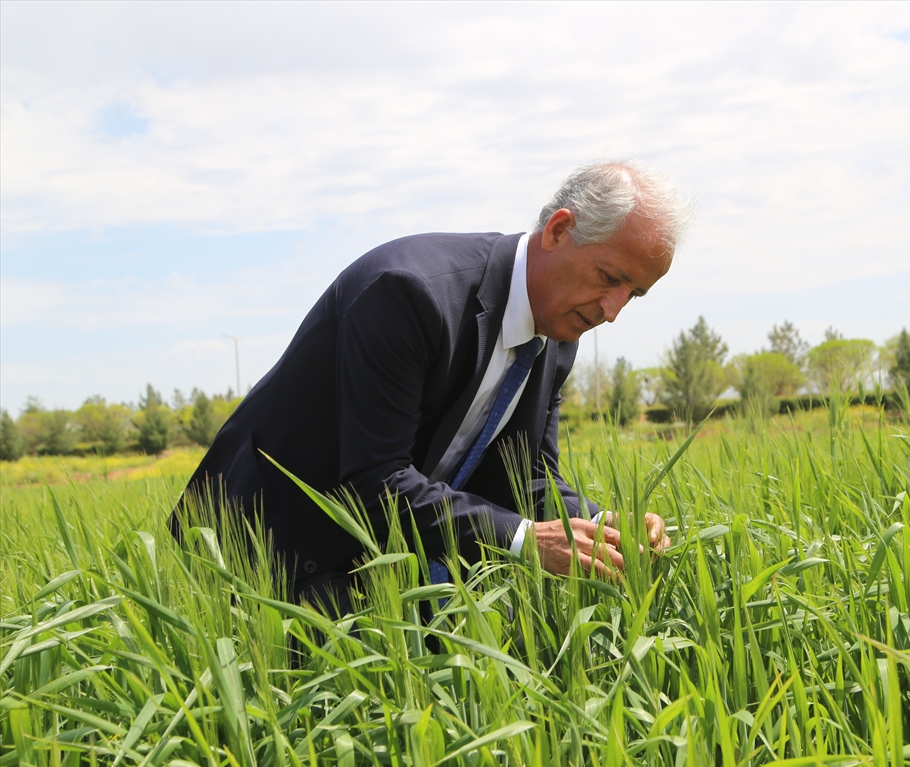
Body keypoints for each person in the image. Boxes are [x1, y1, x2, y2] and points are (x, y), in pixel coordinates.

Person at [174, 161, 693, 609]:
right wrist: (523, 540)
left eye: (635, 294)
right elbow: (372, 481)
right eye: (609, 277)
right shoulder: (410, 294)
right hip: (258, 556)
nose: (612, 311)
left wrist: (605, 524)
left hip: (371, 569)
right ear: (559, 230)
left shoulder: (559, 331)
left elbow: (526, 478)